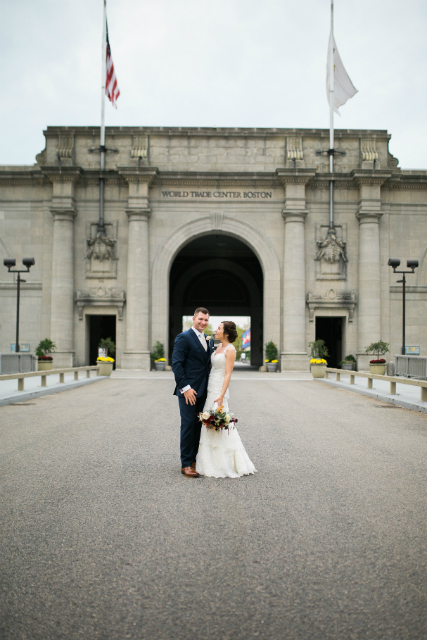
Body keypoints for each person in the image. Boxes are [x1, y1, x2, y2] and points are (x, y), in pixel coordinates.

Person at [196, 321, 256, 479]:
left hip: (218, 390)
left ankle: (226, 463)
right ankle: (209, 461)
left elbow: (228, 374)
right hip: (210, 388)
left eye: (219, 328)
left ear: (227, 333)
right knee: (209, 423)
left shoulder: (230, 350)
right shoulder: (217, 348)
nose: (216, 330)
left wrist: (221, 395)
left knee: (220, 423)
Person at [172, 308, 214, 478]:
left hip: (204, 391)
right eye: (201, 319)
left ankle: (195, 460)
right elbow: (177, 364)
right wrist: (186, 388)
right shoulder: (183, 337)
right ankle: (186, 464)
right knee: (188, 426)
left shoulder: (208, 339)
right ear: (194, 318)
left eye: (206, 320)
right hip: (188, 391)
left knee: (198, 427)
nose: (203, 323)